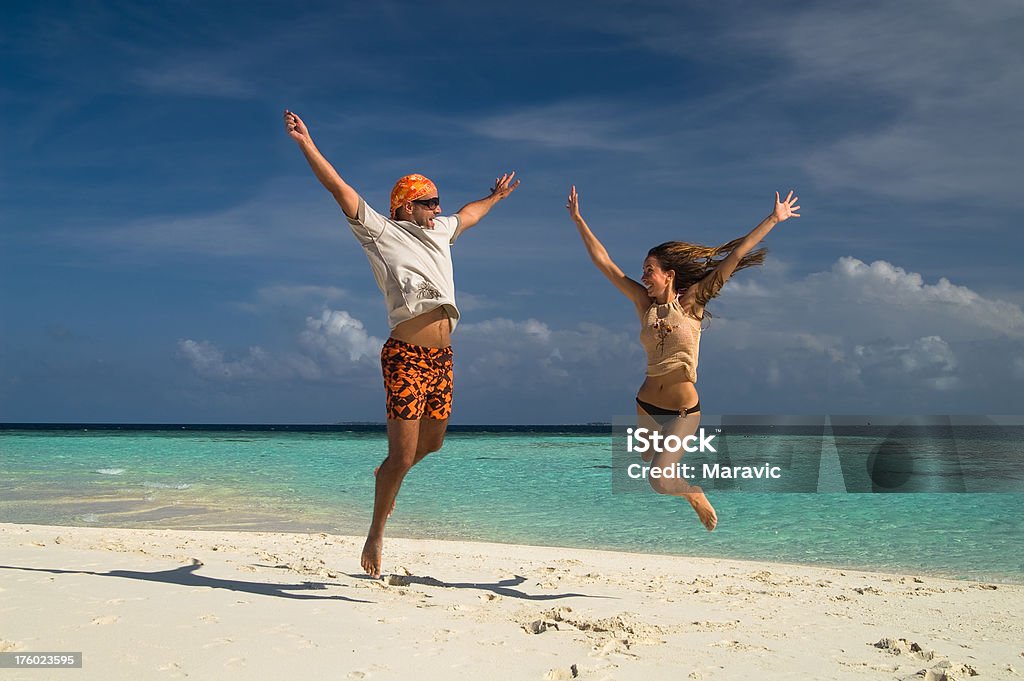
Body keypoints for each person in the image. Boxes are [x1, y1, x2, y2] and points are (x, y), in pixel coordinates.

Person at [284, 110, 520, 578]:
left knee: (432, 444)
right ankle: (375, 534)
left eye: (438, 202)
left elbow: (470, 214)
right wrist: (307, 143)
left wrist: (494, 197)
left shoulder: (442, 232)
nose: (438, 208)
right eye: (430, 202)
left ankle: (387, 479)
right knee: (403, 455)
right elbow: (339, 189)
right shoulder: (382, 232)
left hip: (443, 358)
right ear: (406, 207)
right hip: (406, 357)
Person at [565, 186, 800, 530]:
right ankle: (675, 476)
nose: (643, 276)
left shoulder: (692, 303)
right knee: (647, 457)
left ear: (669, 275)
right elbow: (606, 265)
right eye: (643, 271)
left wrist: (773, 219)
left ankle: (692, 492)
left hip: (681, 411)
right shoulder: (643, 304)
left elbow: (734, 258)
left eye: (649, 270)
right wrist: (578, 220)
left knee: (659, 480)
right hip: (645, 404)